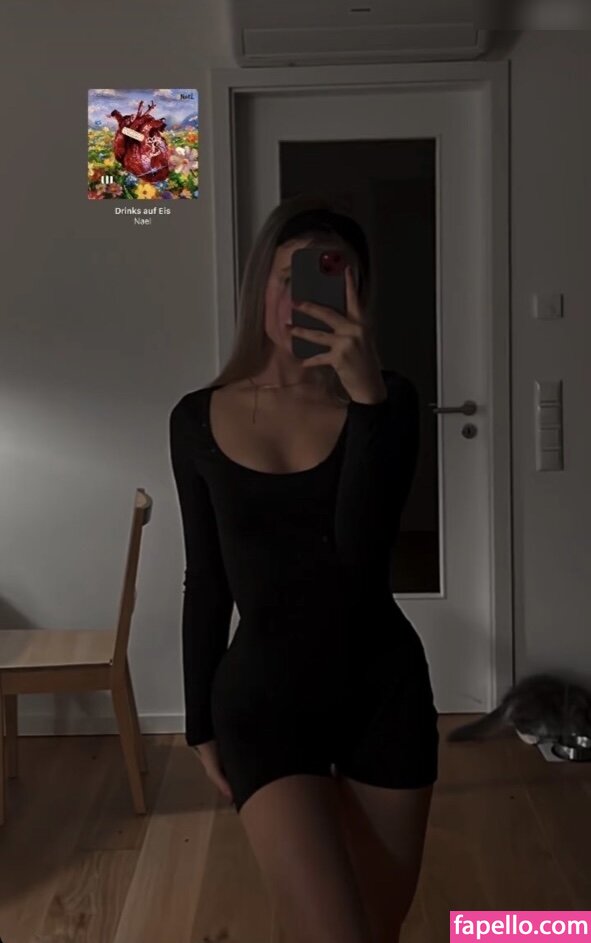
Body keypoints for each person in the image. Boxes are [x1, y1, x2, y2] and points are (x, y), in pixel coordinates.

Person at [169, 193, 439, 943]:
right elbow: (206, 578)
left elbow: (360, 558)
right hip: (263, 701)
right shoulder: (196, 418)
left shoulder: (390, 402)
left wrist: (367, 400)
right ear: (261, 286)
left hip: (382, 692)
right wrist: (197, 722)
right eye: (294, 278)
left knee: (375, 929)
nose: (307, 300)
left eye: (335, 280)